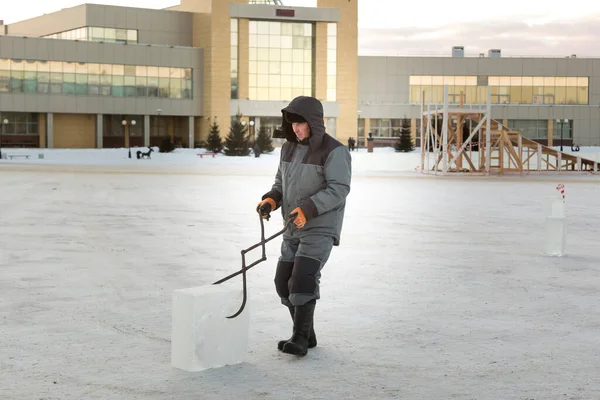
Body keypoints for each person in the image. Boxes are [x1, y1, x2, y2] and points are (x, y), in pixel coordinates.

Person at [256, 95, 352, 356]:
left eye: (301, 123)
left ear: (314, 123)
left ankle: (299, 337)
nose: (296, 128)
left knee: (302, 279)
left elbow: (339, 189)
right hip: (292, 227)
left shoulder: (334, 151)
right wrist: (271, 200)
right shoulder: (287, 149)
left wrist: (309, 208)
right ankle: (307, 335)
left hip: (320, 226)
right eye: (292, 123)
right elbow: (280, 183)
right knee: (282, 281)